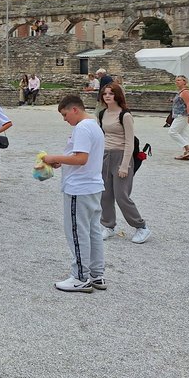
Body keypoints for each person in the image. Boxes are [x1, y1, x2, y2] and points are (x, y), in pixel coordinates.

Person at [42, 95, 106, 293]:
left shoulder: (82, 128)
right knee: (93, 231)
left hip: (79, 188)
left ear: (74, 110)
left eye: (64, 114)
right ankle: (96, 274)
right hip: (93, 186)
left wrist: (53, 157)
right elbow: (81, 156)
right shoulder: (94, 125)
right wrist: (64, 160)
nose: (64, 119)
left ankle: (80, 277)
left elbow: (81, 159)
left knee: (77, 233)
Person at [97, 83, 151, 244]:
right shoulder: (102, 114)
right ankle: (108, 226)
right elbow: (102, 136)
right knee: (105, 194)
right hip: (106, 155)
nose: (107, 96)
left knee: (122, 196)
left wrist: (124, 165)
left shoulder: (125, 116)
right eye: (105, 93)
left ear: (118, 96)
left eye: (111, 93)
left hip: (121, 156)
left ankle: (141, 227)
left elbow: (130, 142)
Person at [168, 75, 189, 160]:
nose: (177, 82)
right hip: (179, 115)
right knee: (182, 133)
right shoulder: (181, 92)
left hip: (182, 115)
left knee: (172, 132)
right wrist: (172, 101)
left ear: (184, 82)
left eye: (179, 80)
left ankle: (188, 148)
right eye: (176, 80)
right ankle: (186, 153)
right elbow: (181, 101)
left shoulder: (186, 92)